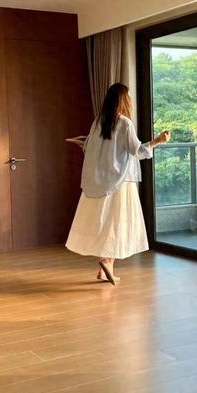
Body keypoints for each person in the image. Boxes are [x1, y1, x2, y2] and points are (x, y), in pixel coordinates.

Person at [66, 82, 170, 285]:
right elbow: (137, 151)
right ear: (123, 100)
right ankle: (106, 261)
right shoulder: (125, 123)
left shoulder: (98, 121)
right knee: (117, 223)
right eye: (128, 96)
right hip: (121, 182)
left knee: (106, 221)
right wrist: (158, 140)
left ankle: (105, 271)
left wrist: (84, 143)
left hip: (101, 180)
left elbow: (92, 148)